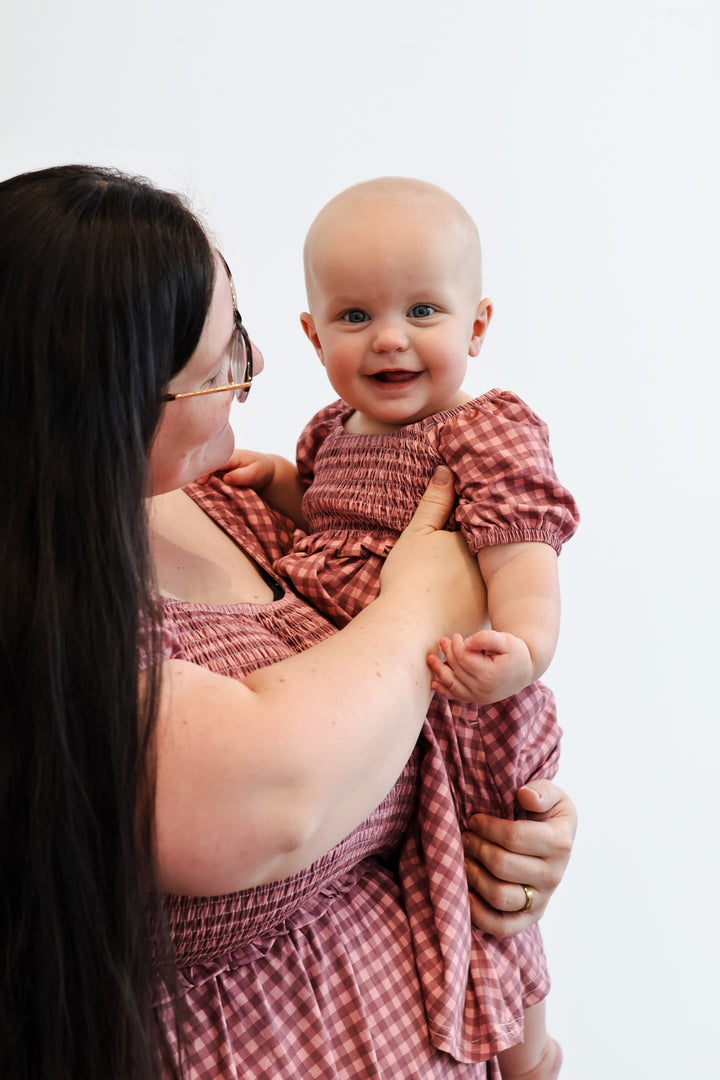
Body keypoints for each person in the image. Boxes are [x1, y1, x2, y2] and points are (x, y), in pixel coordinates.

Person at [0, 164, 576, 1080]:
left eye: (241, 332)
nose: (256, 369)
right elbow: (281, 795)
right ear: (106, 403)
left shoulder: (227, 504)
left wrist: (502, 841)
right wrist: (427, 596)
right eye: (219, 365)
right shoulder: (39, 611)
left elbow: (386, 715)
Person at [222, 177, 580, 1078]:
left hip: (459, 687)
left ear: (478, 325)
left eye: (423, 310)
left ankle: (528, 1053)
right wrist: (279, 483)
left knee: (486, 879)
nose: (389, 337)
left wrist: (523, 652)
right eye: (355, 316)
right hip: (366, 681)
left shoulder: (482, 435)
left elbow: (523, 558)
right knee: (418, 882)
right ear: (313, 337)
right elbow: (328, 522)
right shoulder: (327, 432)